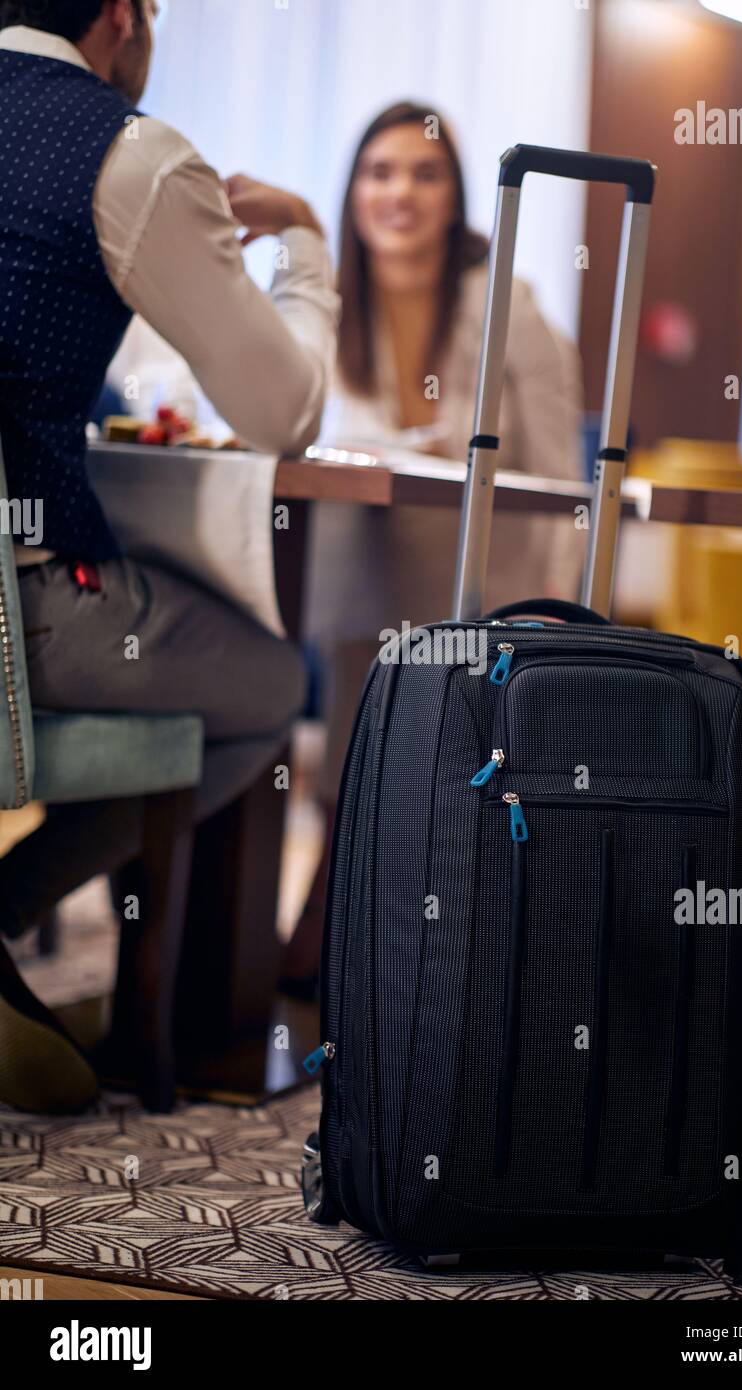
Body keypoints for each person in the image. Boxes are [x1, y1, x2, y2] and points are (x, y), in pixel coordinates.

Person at [0, 0, 339, 1110]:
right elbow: (280, 413)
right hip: (34, 602)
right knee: (273, 685)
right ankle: (12, 917)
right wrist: (305, 249)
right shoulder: (127, 152)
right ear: (121, 16)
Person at [271, 101, 583, 991]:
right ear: (352, 192)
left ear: (457, 197)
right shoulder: (326, 302)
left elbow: (564, 481)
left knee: (411, 724)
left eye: (424, 172)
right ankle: (339, 902)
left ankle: (355, 912)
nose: (399, 192)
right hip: (360, 576)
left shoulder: (506, 303)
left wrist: (557, 622)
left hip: (486, 578)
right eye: (379, 172)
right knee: (350, 649)